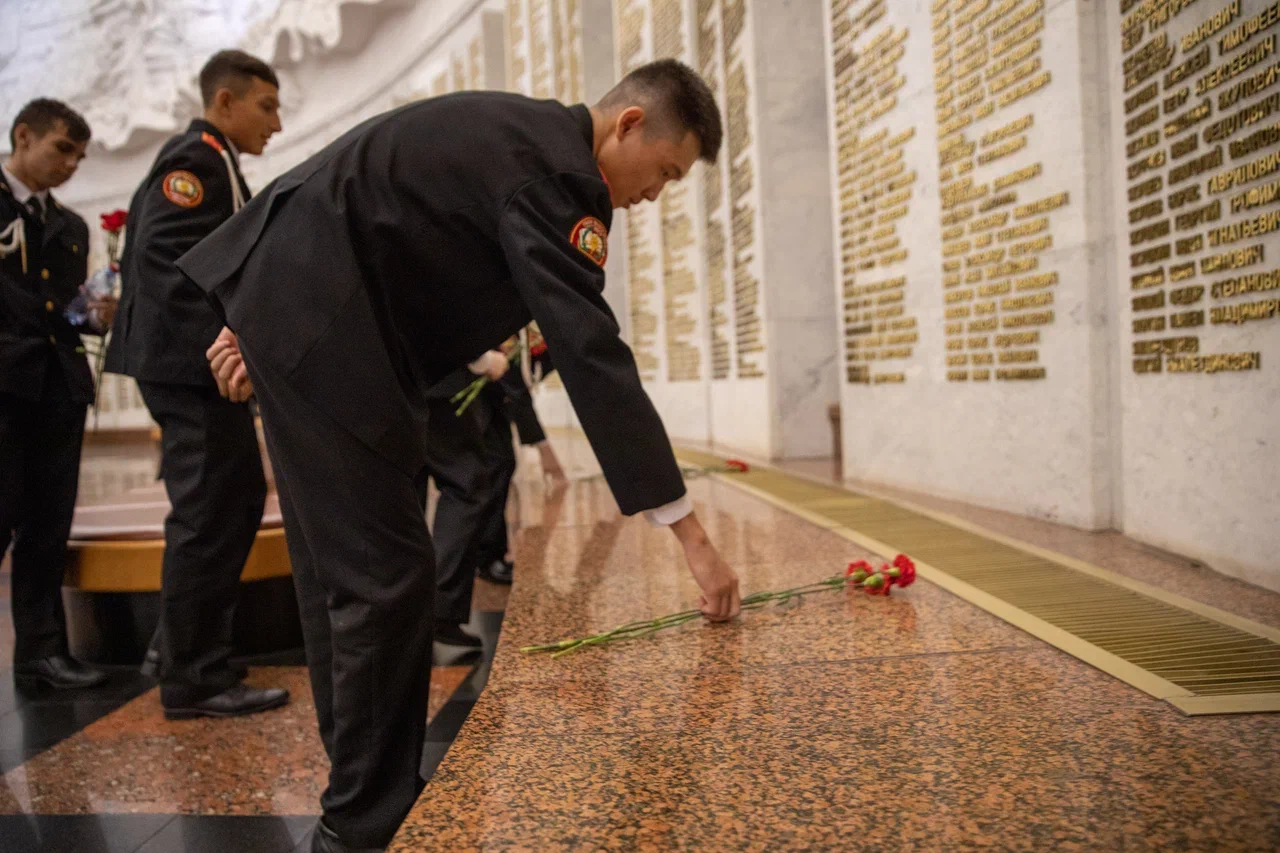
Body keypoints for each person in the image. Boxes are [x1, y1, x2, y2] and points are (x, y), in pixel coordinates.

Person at [180, 59, 741, 852]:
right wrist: (689, 530)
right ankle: (364, 818)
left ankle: (363, 790)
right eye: (665, 171)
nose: (654, 194)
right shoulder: (560, 175)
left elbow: (360, 185)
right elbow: (590, 350)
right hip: (323, 318)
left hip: (310, 300)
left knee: (343, 571)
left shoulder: (521, 135)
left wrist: (256, 303)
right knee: (384, 574)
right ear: (628, 124)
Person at [104, 50, 287, 719]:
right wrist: (224, 348)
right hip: (189, 369)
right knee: (210, 511)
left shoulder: (216, 161)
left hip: (188, 366)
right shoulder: (196, 161)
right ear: (225, 101)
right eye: (266, 106)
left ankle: (184, 650)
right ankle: (193, 677)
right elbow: (166, 262)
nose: (276, 122)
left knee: (229, 502)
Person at [0, 99, 116, 690]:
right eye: (62, 149)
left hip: (58, 388)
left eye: (79, 156)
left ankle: (41, 655)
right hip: (3, 387)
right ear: (24, 136)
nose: (71, 164)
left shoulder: (71, 226)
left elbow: (67, 310)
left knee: (47, 527)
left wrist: (94, 313)